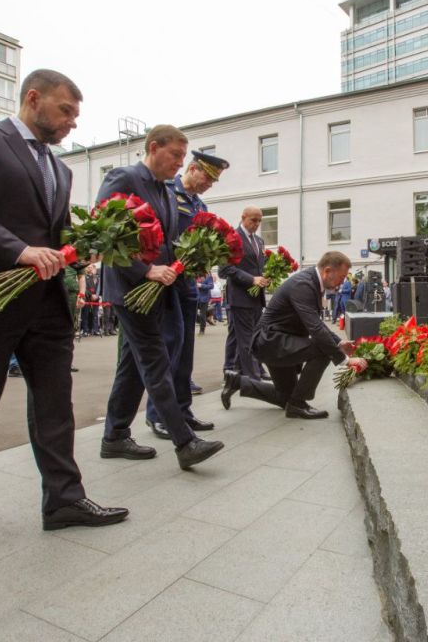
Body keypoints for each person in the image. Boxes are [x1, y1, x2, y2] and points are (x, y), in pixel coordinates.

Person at [0, 69, 128, 537]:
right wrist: (17, 250)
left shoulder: (61, 167)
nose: (72, 123)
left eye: (76, 115)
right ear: (33, 98)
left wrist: (89, 243)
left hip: (46, 304)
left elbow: (52, 234)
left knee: (56, 403)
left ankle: (64, 500)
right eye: (66, 111)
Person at [98, 124, 224, 468]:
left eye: (184, 157)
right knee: (155, 361)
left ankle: (115, 436)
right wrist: (144, 271)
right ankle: (185, 443)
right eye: (176, 155)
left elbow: (168, 242)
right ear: (153, 147)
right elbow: (105, 235)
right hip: (131, 288)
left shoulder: (167, 190)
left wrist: (188, 262)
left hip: (161, 288)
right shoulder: (123, 179)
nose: (180, 163)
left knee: (132, 366)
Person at [220, 251, 369, 418]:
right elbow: (315, 328)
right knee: (323, 349)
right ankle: (298, 405)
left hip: (278, 341)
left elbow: (316, 322)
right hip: (270, 342)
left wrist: (339, 343)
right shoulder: (303, 285)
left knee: (285, 397)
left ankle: (237, 382)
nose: (342, 283)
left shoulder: (311, 282)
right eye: (341, 277)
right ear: (327, 271)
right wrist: (345, 360)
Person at [145, 149, 229, 439]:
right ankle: (158, 414)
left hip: (187, 283)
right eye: (207, 177)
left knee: (185, 351)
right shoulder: (167, 192)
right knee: (168, 349)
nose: (209, 184)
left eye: (213, 181)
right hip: (164, 279)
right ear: (192, 168)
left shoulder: (199, 203)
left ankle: (182, 410)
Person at [220, 205, 269, 379]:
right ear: (243, 217)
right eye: (253, 220)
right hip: (240, 297)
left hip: (256, 298)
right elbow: (224, 269)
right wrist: (251, 279)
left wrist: (265, 277)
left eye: (259, 221)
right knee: (247, 337)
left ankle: (241, 370)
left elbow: (258, 267)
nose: (256, 224)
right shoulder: (231, 238)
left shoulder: (259, 241)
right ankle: (252, 375)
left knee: (251, 335)